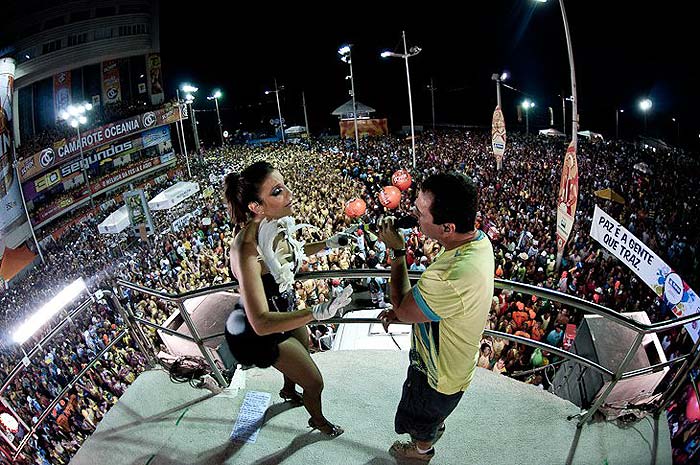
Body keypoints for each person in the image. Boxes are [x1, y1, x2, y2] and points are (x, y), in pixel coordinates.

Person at [222, 161, 354, 437]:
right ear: (255, 207)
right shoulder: (246, 250)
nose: (290, 194)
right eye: (278, 191)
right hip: (263, 332)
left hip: (285, 309)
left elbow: (287, 253)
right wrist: (316, 312)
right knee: (315, 382)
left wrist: (327, 244)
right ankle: (317, 421)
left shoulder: (270, 226)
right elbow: (260, 322)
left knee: (302, 353)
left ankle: (288, 388)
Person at [378, 172, 494, 462]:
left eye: (420, 213)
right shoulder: (478, 243)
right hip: (452, 364)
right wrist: (407, 312)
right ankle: (430, 432)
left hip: (437, 376)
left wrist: (397, 251)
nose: (414, 216)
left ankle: (421, 452)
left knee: (421, 421)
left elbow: (404, 308)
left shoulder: (450, 278)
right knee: (430, 415)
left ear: (447, 227)